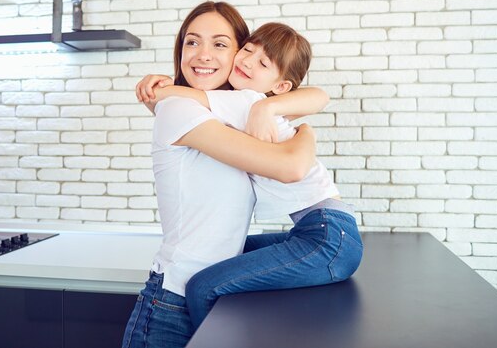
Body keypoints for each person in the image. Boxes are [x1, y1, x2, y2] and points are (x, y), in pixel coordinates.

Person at [121, 2, 325, 348]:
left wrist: (268, 104)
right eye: (192, 42)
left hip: (213, 295)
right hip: (172, 305)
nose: (202, 55)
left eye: (219, 44)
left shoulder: (236, 113)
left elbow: (319, 95)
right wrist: (307, 133)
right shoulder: (178, 109)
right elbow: (291, 166)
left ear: (239, 54)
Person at [143, 22, 363, 330]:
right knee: (228, 252)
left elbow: (191, 97)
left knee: (203, 286)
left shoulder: (247, 101)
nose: (247, 61)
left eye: (262, 63)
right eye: (247, 50)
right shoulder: (253, 105)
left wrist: (159, 90)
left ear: (282, 86)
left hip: (327, 236)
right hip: (325, 230)